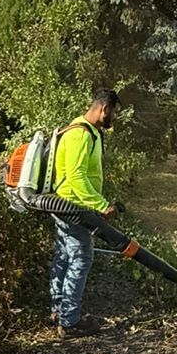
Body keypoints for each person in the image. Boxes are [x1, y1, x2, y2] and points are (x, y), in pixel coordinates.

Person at [49, 87, 120, 337]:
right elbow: (76, 176)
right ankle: (69, 322)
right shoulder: (80, 134)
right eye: (115, 113)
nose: (115, 118)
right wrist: (101, 205)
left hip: (69, 204)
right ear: (104, 109)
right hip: (71, 205)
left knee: (65, 256)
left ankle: (59, 310)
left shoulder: (89, 131)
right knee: (81, 258)